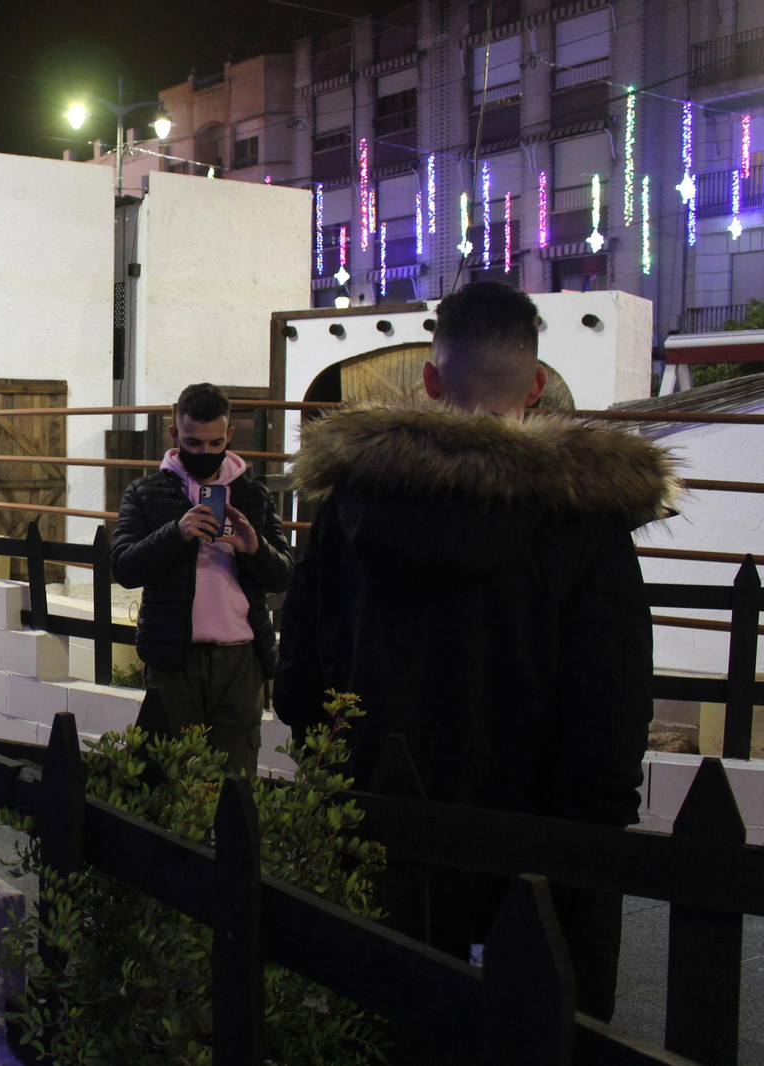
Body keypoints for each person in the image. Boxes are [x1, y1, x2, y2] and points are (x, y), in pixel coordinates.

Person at [272, 281, 679, 1021]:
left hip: (378, 829)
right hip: (531, 845)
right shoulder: (583, 520)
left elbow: (299, 681)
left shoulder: (350, 506)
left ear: (429, 379)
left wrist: (335, 779)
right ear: (535, 385)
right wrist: (583, 851)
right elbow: (611, 709)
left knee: (385, 1023)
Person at [111, 383, 295, 775]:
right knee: (167, 780)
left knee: (235, 783)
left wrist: (253, 547)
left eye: (215, 443)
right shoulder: (145, 493)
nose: (204, 453)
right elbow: (123, 567)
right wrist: (176, 533)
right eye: (193, 442)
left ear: (230, 436)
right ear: (174, 434)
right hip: (175, 661)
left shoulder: (253, 495)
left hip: (241, 660)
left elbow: (282, 575)